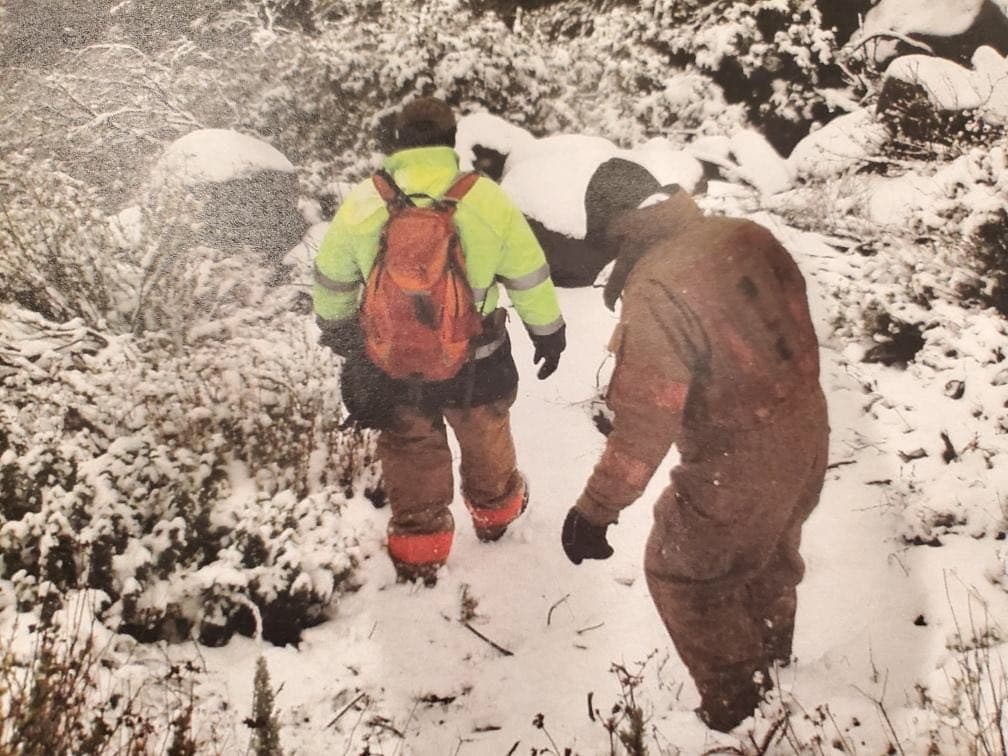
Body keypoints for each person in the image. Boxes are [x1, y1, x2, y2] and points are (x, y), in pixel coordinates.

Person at [560, 186, 829, 732]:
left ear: (618, 231)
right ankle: (776, 678)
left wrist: (595, 510)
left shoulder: (657, 284)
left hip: (740, 451)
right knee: (769, 556)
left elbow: (644, 424)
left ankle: (742, 711)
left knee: (684, 573)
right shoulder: (746, 234)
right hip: (808, 424)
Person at [313, 97, 566, 586]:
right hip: (478, 358)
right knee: (486, 435)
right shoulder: (485, 198)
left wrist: (342, 331)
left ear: (399, 143)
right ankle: (497, 517)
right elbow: (529, 276)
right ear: (451, 141)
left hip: (395, 361)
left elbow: (331, 279)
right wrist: (548, 333)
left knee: (411, 448)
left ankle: (419, 549)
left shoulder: (366, 199)